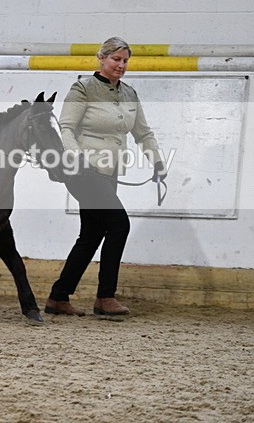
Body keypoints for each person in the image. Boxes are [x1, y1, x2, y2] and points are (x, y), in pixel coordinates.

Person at [45, 36, 167, 317]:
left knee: (91, 235)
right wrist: (77, 157)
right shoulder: (83, 88)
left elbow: (143, 133)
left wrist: (157, 161)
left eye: (125, 61)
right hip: (84, 171)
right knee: (119, 225)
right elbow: (66, 128)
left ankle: (58, 297)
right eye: (116, 59)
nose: (121, 65)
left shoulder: (130, 94)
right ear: (101, 58)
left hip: (110, 172)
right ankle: (105, 297)